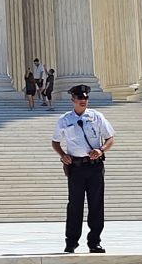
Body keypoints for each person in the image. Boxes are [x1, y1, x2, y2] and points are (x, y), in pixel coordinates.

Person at [52, 84, 114, 254]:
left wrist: (101, 149)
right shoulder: (65, 120)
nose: (83, 101)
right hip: (76, 168)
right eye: (80, 98)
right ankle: (71, 241)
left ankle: (94, 242)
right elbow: (55, 142)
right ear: (73, 99)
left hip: (94, 166)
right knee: (75, 205)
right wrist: (62, 154)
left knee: (96, 204)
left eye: (85, 98)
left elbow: (110, 138)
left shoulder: (97, 117)